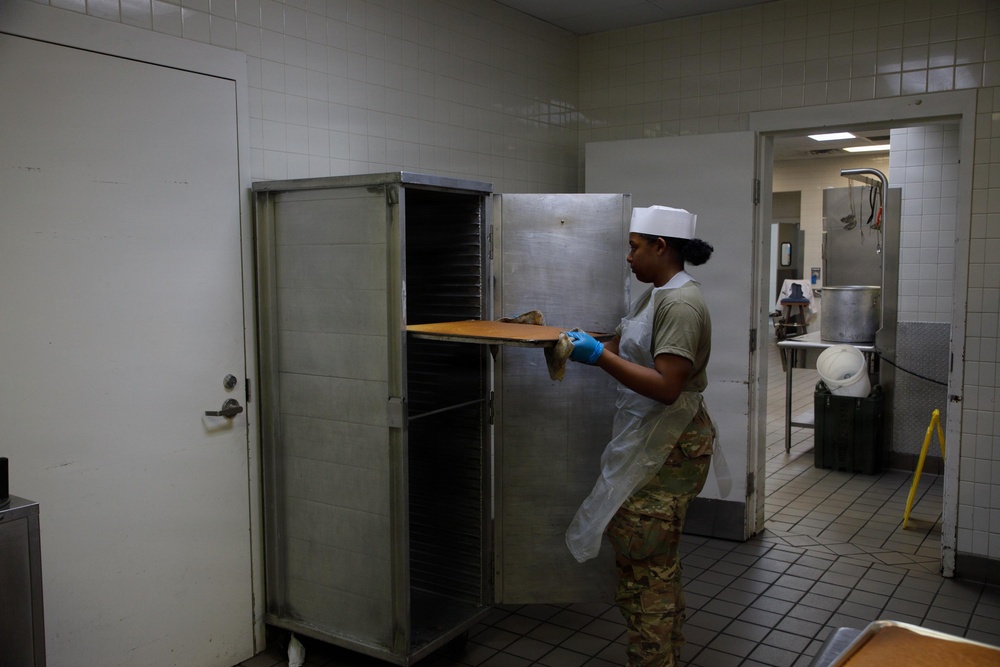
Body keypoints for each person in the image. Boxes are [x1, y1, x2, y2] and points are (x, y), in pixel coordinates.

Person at [563, 204, 715, 667]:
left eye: (633, 247)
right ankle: (662, 654)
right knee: (648, 562)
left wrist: (598, 358)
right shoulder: (659, 294)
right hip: (651, 439)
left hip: (668, 447)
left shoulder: (681, 304)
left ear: (660, 246)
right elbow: (629, 342)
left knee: (646, 564)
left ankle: (653, 658)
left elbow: (668, 386)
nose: (628, 258)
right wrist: (576, 339)